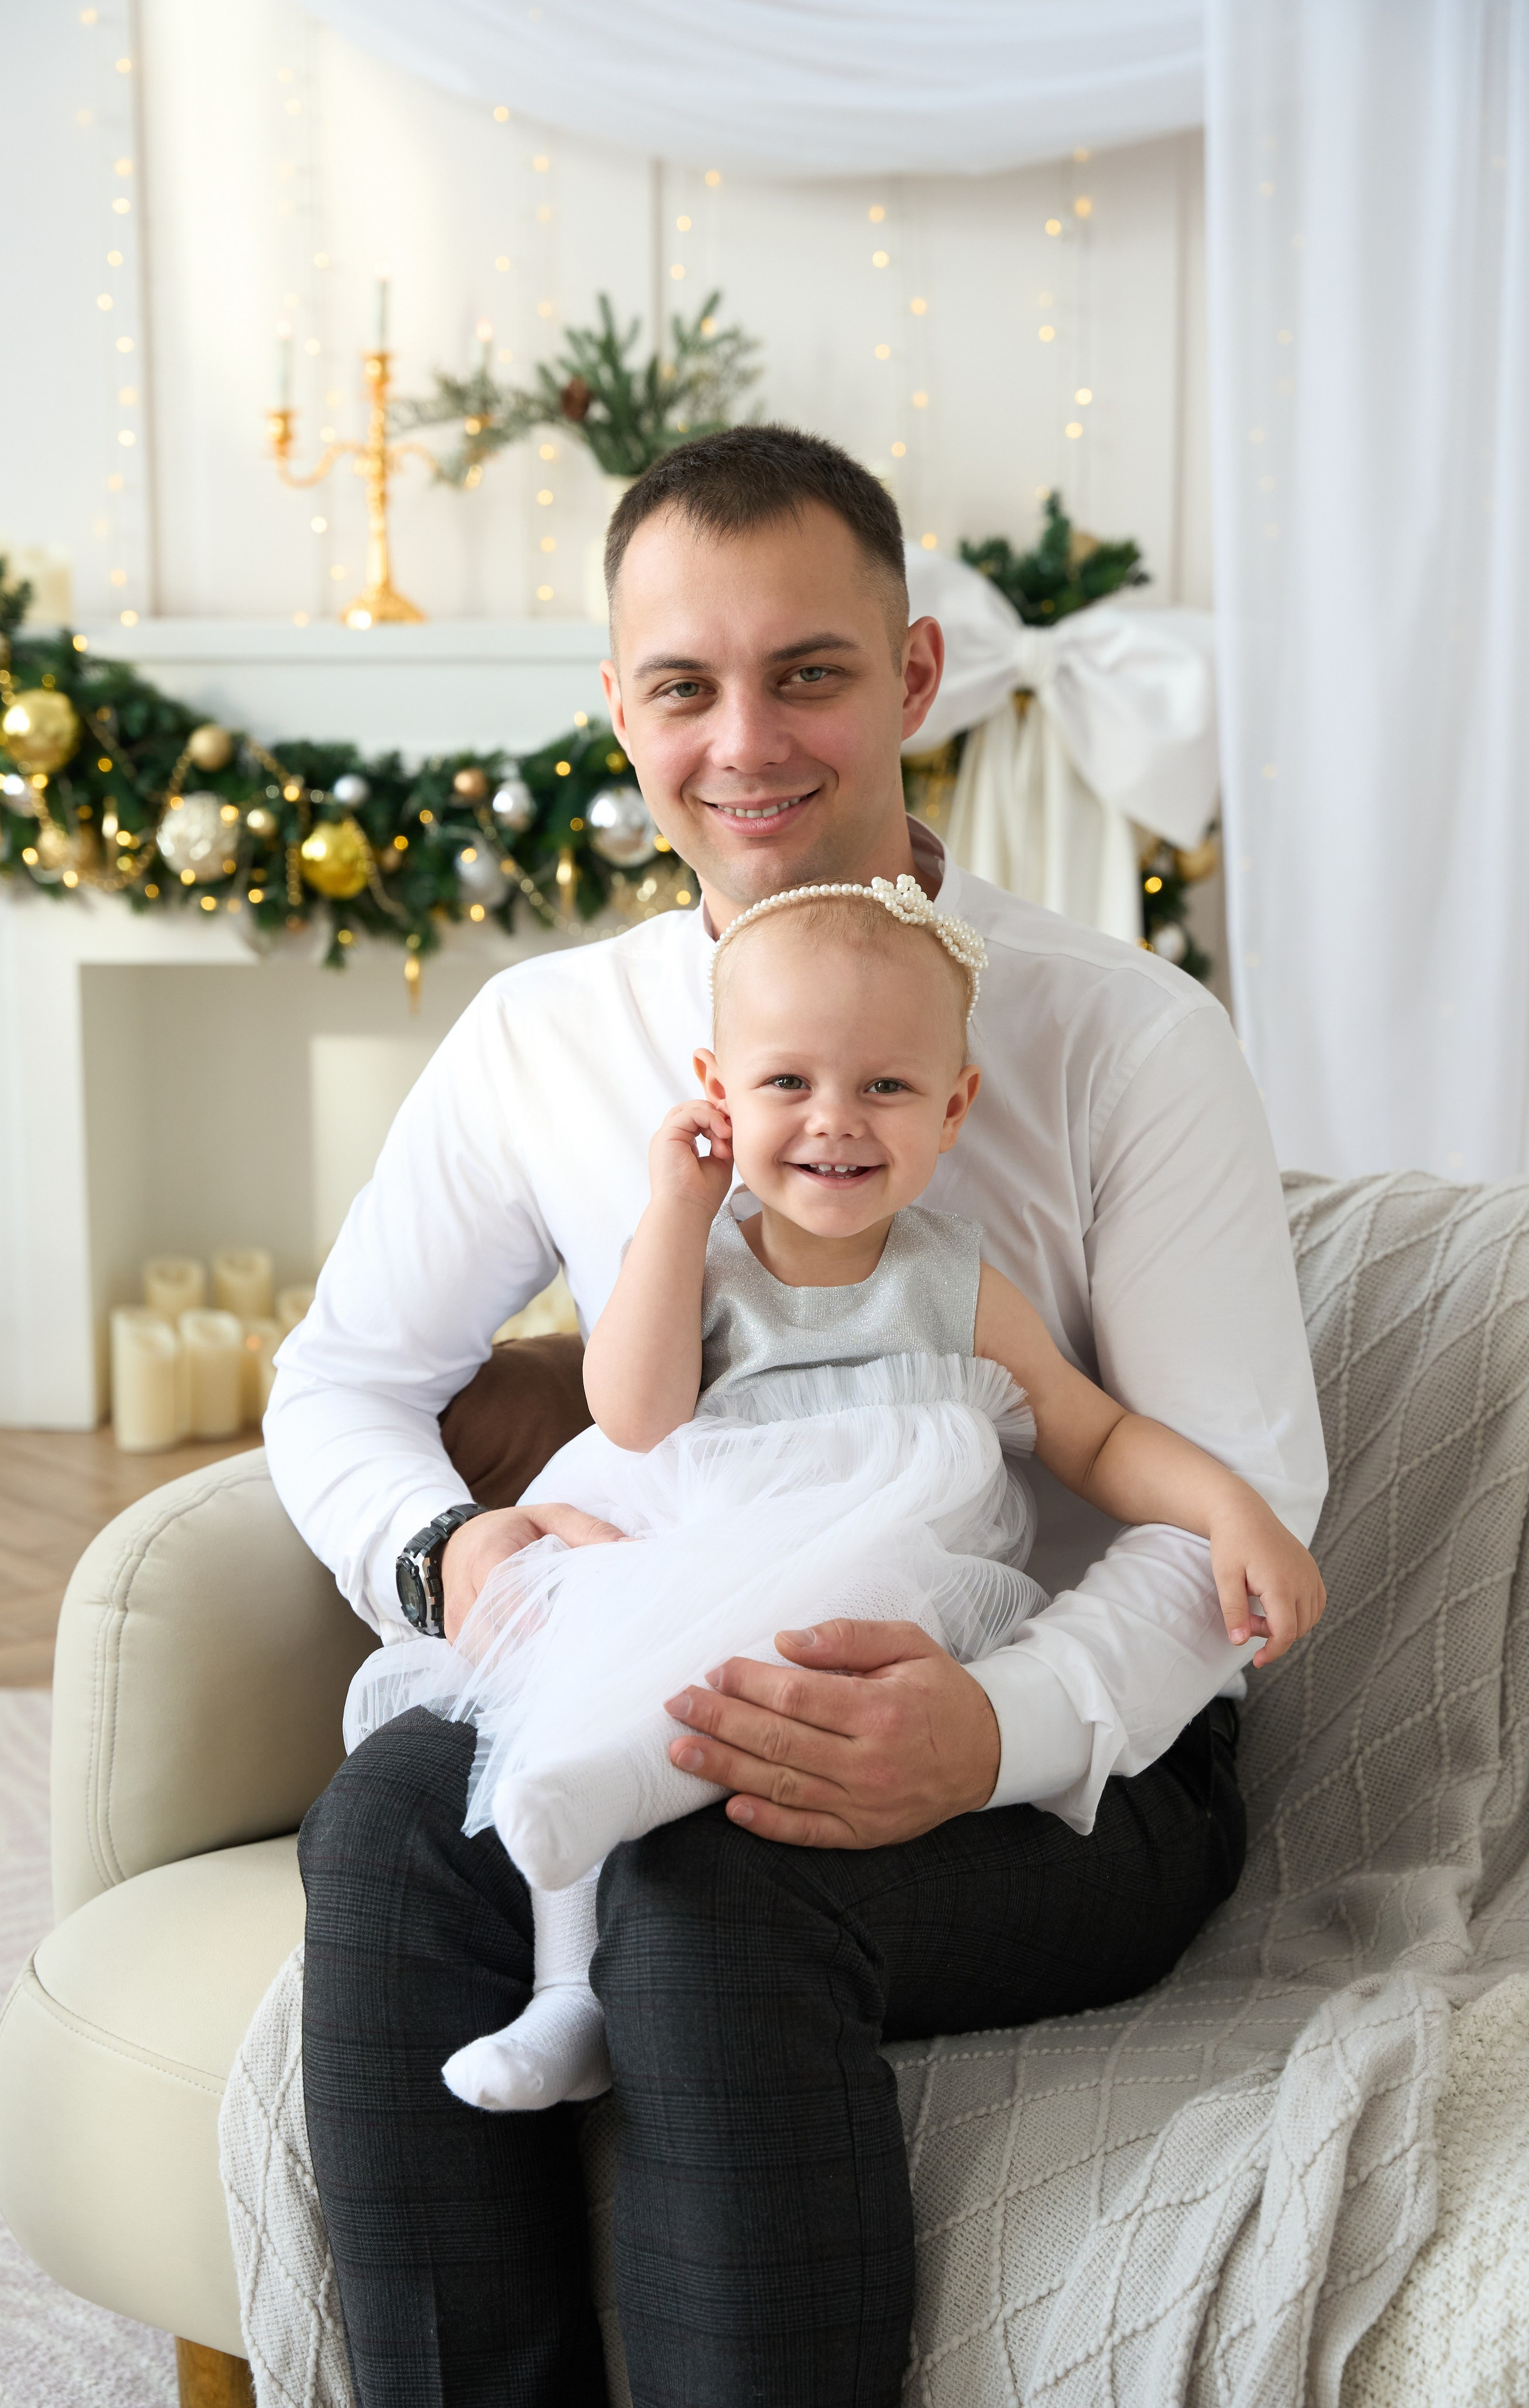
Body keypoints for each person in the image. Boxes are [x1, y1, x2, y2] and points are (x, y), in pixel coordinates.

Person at [265, 422, 1328, 2408]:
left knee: (708, 1880)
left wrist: (985, 1737)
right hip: (664, 1644)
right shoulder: (550, 1037)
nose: (742, 740)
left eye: (809, 673)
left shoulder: (1123, 1037)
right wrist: (450, 1550)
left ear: (914, 677)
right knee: (398, 1823)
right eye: (683, 684)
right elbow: (341, 1381)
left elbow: (1223, 1493)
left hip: (1084, 1756)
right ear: (620, 708)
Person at [337, 875, 1325, 2124]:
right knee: (594, 1676)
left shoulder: (957, 1284)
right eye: (787, 1084)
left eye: (885, 1088)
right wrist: (675, 1213)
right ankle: (564, 1990)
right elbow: (634, 1414)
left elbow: (1096, 1435)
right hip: (700, 1550)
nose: (833, 1124)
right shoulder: (702, 1260)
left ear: (953, 1106)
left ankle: (607, 1801)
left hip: (875, 1584)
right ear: (719, 1090)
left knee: (747, 1717)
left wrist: (1231, 1510)